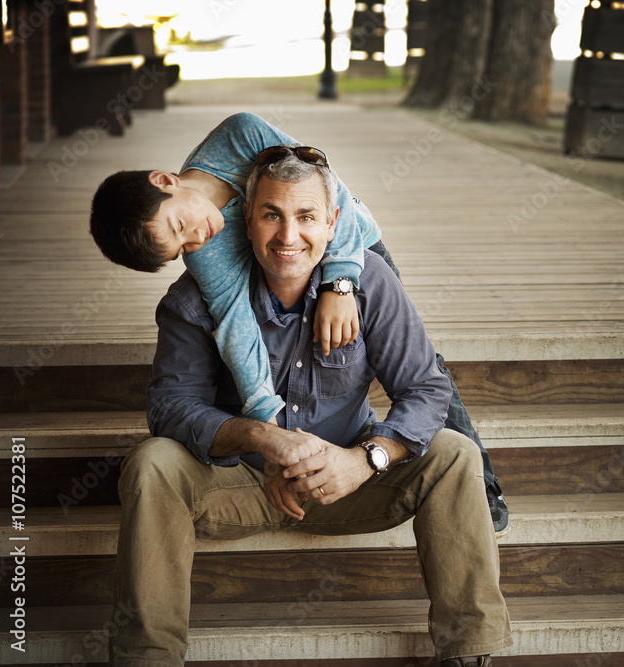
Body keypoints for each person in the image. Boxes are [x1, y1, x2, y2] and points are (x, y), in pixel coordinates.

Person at [108, 148, 512, 667]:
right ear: (246, 219)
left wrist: (366, 459)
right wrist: (262, 439)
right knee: (152, 462)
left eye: (305, 217)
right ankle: (148, 659)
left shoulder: (367, 282)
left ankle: (469, 652)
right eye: (271, 215)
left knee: (455, 454)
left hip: (348, 480)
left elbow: (427, 390)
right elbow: (170, 408)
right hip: (242, 485)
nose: (288, 236)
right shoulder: (195, 299)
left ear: (332, 223)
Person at [89, 113, 508, 535]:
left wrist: (341, 282)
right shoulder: (205, 253)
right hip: (276, 261)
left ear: (165, 180)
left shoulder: (240, 135)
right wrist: (270, 434)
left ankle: (484, 487)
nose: (195, 238)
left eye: (180, 225)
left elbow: (323, 188)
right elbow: (237, 327)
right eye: (179, 247)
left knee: (419, 359)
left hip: (350, 240)